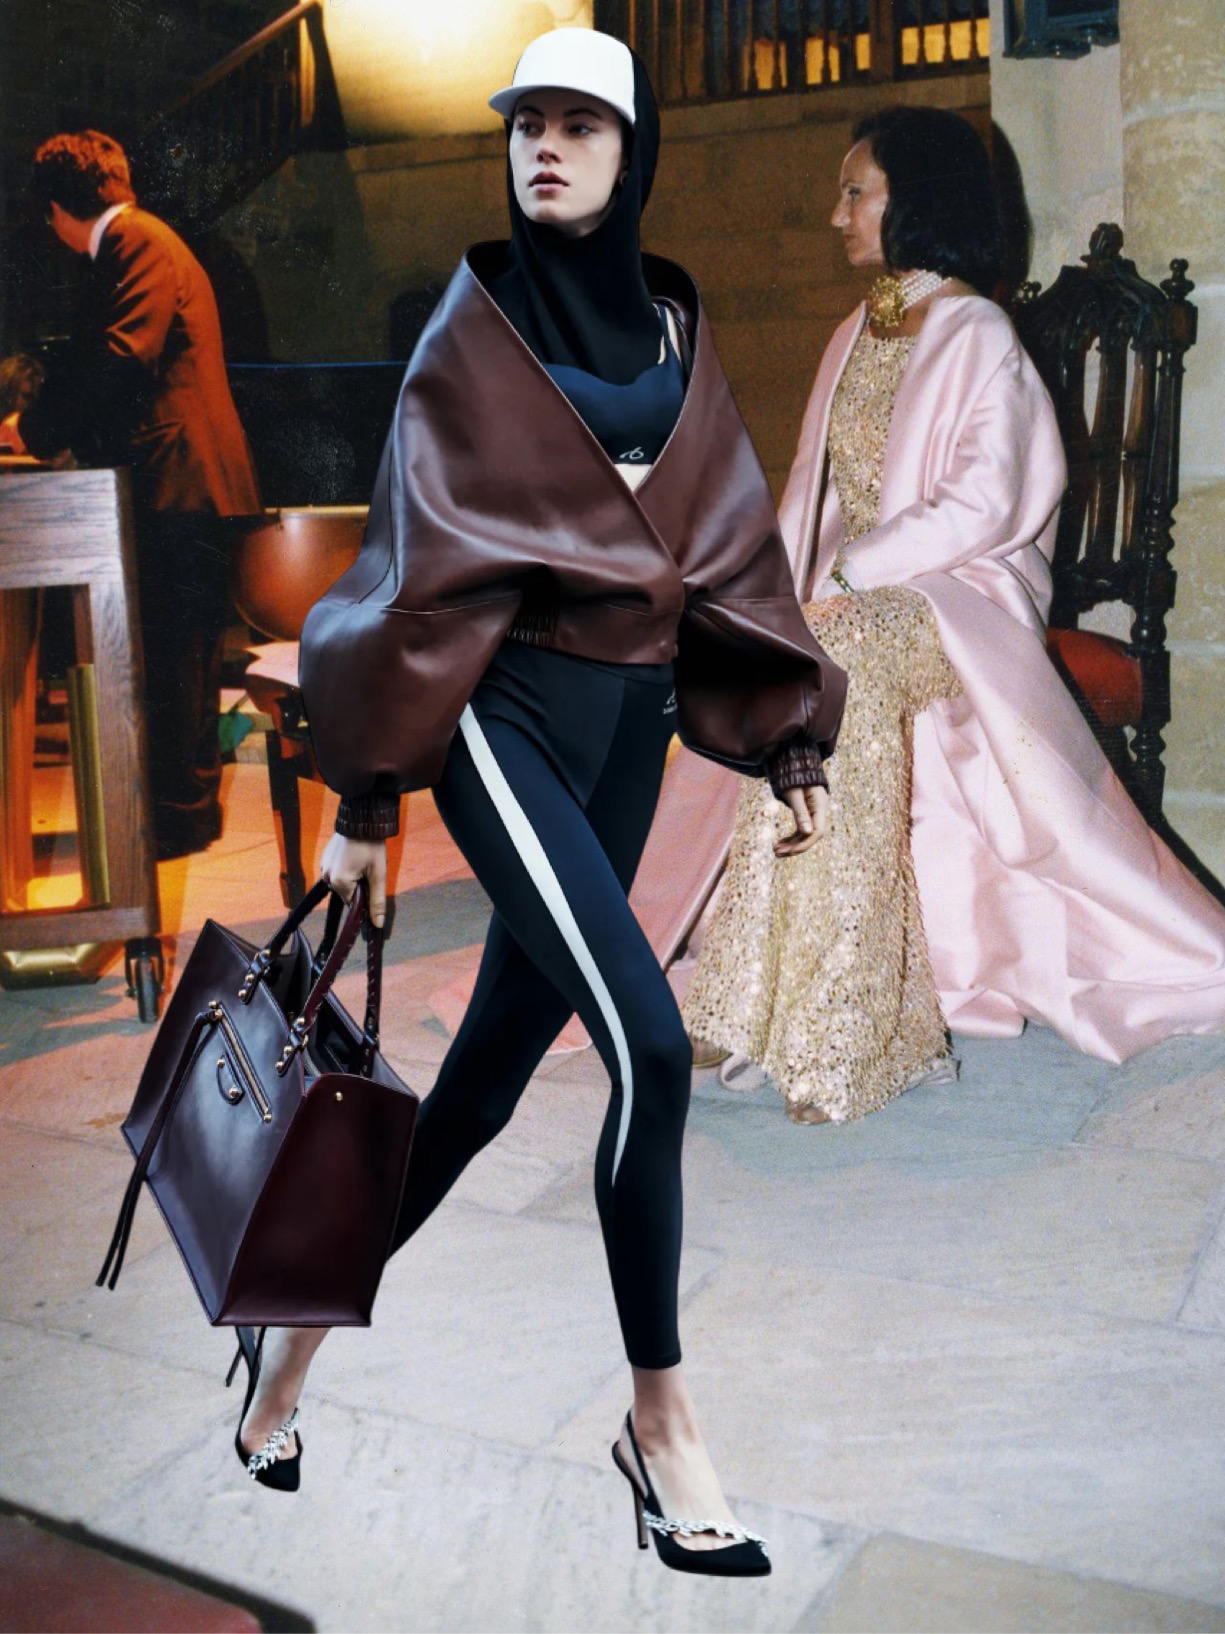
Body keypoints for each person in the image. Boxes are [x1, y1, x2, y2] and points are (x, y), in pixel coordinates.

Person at [230, 30, 845, 1578]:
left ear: (635, 152)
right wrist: (370, 798)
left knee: (483, 1087)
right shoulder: (473, 330)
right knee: (650, 1044)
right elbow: (415, 563)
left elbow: (731, 540)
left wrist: (790, 740)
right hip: (503, 716)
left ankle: (288, 1345)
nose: (547, 148)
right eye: (528, 127)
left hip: (630, 730)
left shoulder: (678, 327)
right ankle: (663, 1424)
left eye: (582, 125)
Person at [643, 105, 1225, 1123]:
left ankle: (860, 1021)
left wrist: (852, 574)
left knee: (834, 651)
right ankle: (741, 986)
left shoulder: (978, 329)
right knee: (782, 655)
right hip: (852, 598)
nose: (835, 214)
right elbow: (809, 494)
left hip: (960, 592)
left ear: (917, 201)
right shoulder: (850, 332)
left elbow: (988, 501)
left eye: (855, 192)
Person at [0, 131, 260, 859]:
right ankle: (182, 817)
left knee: (174, 663)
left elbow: (122, 356)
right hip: (181, 481)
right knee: (181, 662)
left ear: (58, 209)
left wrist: (34, 428)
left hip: (180, 482)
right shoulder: (141, 239)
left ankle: (174, 823)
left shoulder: (134, 240)